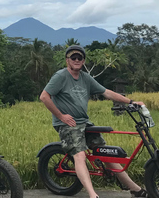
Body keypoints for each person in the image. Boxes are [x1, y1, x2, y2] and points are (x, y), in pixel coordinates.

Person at [39, 45, 147, 198]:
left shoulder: (85, 77)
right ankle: (92, 194)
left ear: (83, 61)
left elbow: (107, 92)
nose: (77, 60)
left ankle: (135, 189)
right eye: (73, 57)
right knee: (80, 155)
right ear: (67, 60)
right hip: (67, 124)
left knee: (104, 153)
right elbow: (44, 97)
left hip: (84, 122)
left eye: (80, 58)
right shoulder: (60, 76)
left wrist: (131, 101)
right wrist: (61, 116)